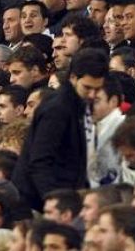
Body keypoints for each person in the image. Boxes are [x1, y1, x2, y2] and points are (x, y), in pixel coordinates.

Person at [13, 48, 109, 210]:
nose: (92, 95)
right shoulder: (57, 109)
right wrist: (56, 204)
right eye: (87, 87)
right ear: (72, 78)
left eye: (97, 89)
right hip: (36, 203)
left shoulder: (79, 103)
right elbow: (40, 162)